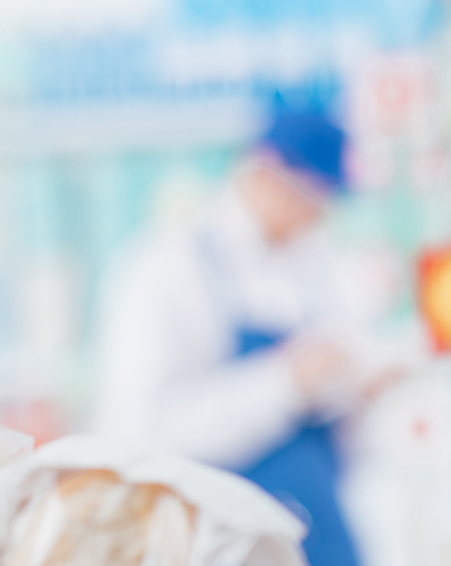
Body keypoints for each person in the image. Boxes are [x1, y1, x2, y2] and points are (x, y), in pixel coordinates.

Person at [94, 106, 387, 566]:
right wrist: (285, 384)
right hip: (218, 546)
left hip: (320, 538)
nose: (318, 217)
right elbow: (147, 433)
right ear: (270, 175)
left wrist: (359, 391)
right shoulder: (167, 269)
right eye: (313, 198)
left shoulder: (314, 268)